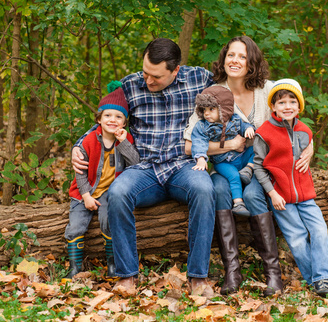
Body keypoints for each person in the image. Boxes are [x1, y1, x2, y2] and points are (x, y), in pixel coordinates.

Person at [72, 38, 216, 297]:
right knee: (117, 193)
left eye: (156, 76)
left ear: (175, 70)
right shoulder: (130, 84)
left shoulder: (201, 79)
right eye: (145, 72)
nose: (148, 80)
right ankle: (126, 275)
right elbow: (107, 117)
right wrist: (78, 145)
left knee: (205, 190)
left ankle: (198, 278)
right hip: (144, 168)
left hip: (184, 167)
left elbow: (234, 99)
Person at [184, 36, 313, 296]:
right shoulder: (213, 95)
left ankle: (272, 274)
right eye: (231, 55)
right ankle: (233, 271)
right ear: (223, 59)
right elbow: (189, 145)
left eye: (242, 56)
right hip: (224, 166)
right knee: (219, 190)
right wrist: (229, 146)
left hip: (261, 168)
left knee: (255, 194)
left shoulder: (269, 89)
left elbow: (295, 121)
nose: (235, 61)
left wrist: (310, 146)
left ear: (251, 61)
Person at [253, 78, 328, 297]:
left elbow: (304, 148)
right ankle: (320, 279)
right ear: (273, 106)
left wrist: (310, 151)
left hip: (305, 195)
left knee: (320, 230)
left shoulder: (305, 131)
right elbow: (258, 167)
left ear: (299, 105)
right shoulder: (264, 133)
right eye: (281, 102)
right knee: (297, 236)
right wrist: (272, 193)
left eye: (292, 101)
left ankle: (322, 277)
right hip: (281, 197)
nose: (287, 106)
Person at [65, 86, 139, 280]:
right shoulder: (88, 141)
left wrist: (124, 143)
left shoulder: (126, 138)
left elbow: (136, 164)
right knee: (76, 227)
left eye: (118, 117)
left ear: (124, 121)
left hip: (110, 191)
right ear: (99, 119)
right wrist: (86, 196)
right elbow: (79, 171)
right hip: (84, 192)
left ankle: (113, 265)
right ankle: (75, 267)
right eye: (107, 115)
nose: (112, 120)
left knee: (109, 223)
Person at [191, 86, 255, 217]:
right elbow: (198, 142)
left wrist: (249, 128)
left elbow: (244, 126)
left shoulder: (235, 120)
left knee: (256, 150)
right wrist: (201, 158)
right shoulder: (203, 126)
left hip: (241, 157)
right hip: (223, 162)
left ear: (224, 109)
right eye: (204, 110)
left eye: (211, 109)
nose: (206, 113)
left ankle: (249, 168)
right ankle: (238, 203)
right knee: (234, 177)